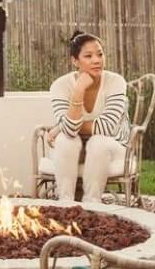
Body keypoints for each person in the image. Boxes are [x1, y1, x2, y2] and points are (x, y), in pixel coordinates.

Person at [46, 31, 131, 203]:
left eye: (100, 54)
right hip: (75, 147)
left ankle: (92, 204)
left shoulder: (116, 82)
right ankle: (66, 204)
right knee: (65, 141)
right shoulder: (60, 86)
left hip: (113, 146)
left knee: (98, 142)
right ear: (75, 61)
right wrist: (78, 91)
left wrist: (60, 127)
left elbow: (107, 128)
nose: (97, 60)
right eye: (88, 56)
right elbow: (70, 131)